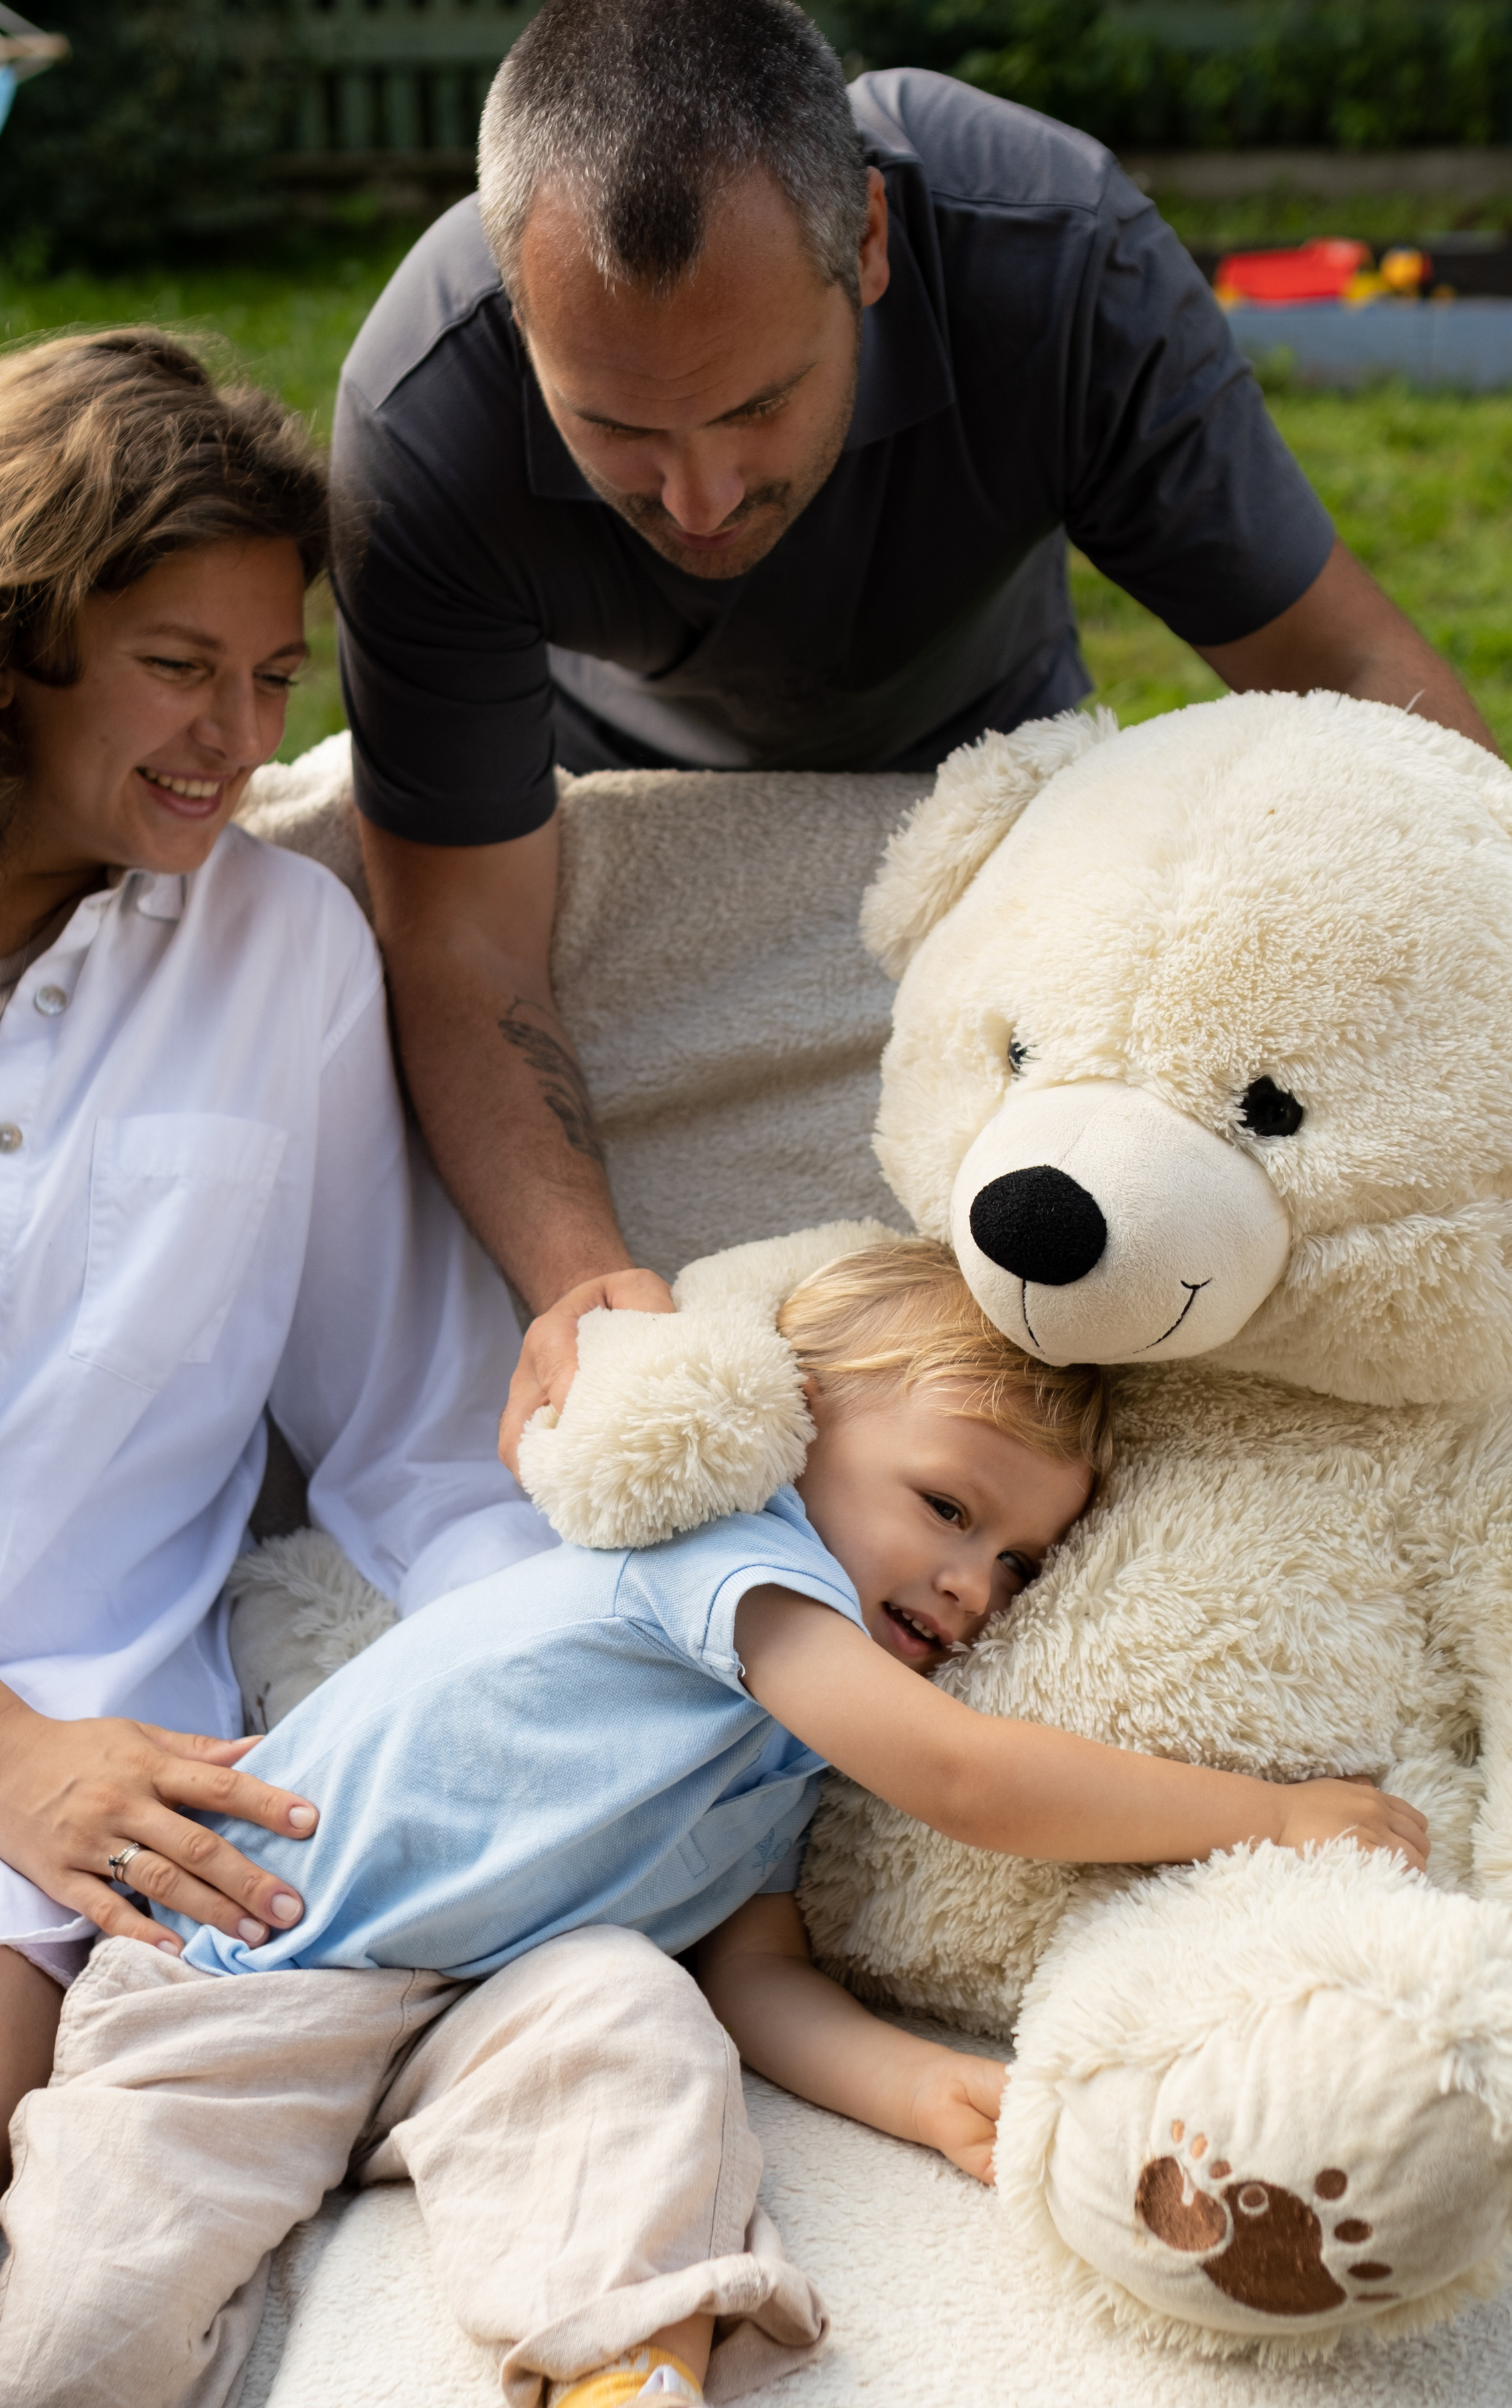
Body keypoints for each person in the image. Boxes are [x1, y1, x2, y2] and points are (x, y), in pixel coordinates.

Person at [0, 1242, 1427, 2408]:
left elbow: (751, 1978)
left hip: (475, 2016)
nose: (976, 1586)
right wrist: (1272, 1812)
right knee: (103, 2310)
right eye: (947, 1508)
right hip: (244, 1977)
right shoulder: (723, 1562)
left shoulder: (776, 1757)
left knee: (626, 2011)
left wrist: (923, 2094)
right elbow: (962, 1778)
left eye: (1019, 1562)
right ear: (791, 1437)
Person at [328, 0, 1503, 1455]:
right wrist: (584, 1291)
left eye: (757, 405)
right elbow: (459, 936)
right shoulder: (419, 410)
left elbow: (1342, 674)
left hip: (986, 813)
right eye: (617, 431)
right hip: (621, 828)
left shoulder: (1048, 251)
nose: (696, 500)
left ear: (868, 246)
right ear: (515, 304)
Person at [0, 329, 552, 2408]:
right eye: (173, 668)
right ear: (8, 640)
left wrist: (658, 1710)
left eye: (271, 674)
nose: (243, 741)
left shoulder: (288, 959)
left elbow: (417, 1425)